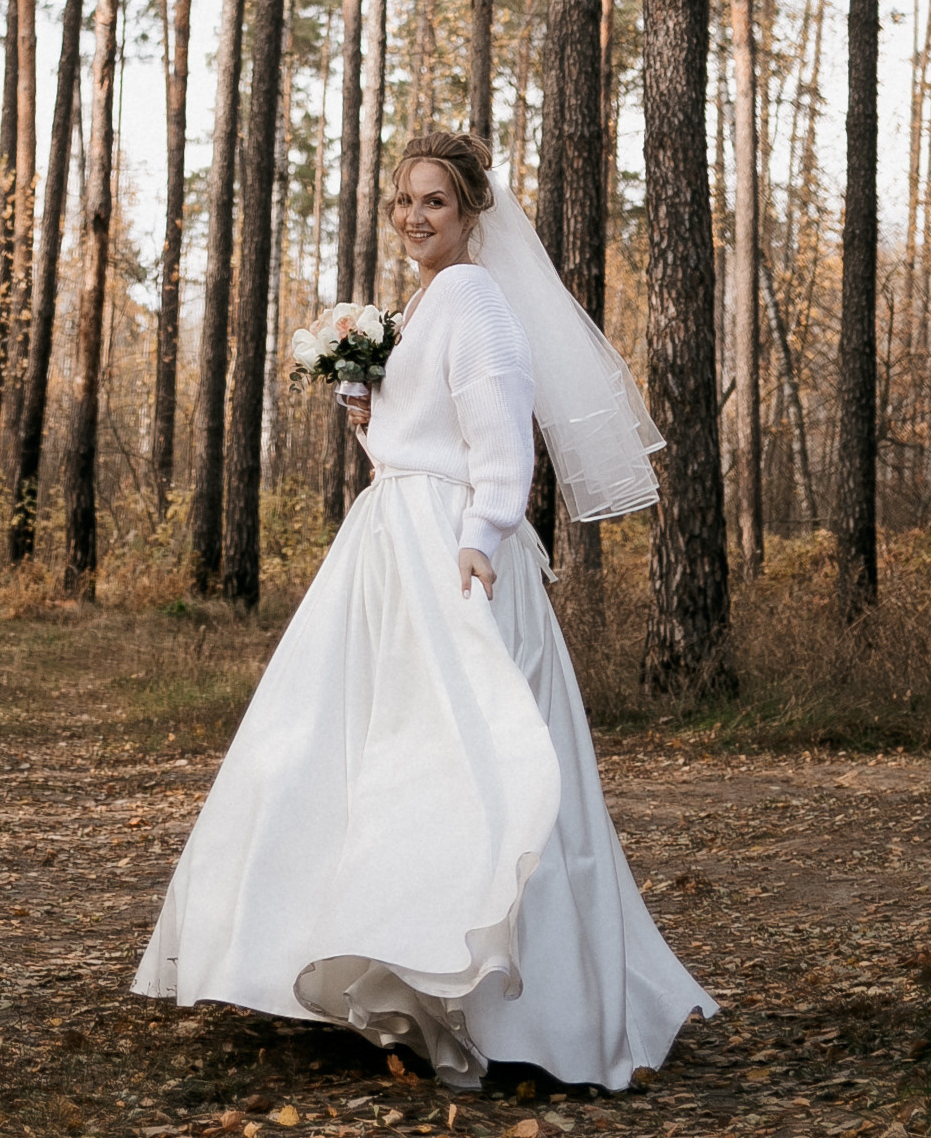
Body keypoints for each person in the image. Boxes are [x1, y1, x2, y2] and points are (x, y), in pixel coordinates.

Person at [133, 127, 717, 1092]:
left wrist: (480, 541)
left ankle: (515, 1004)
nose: (413, 215)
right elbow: (416, 443)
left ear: (471, 211)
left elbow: (498, 441)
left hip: (450, 554)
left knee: (475, 762)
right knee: (378, 754)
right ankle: (391, 967)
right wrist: (367, 409)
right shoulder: (426, 301)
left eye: (434, 200)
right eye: (404, 199)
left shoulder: (476, 298)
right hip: (389, 547)